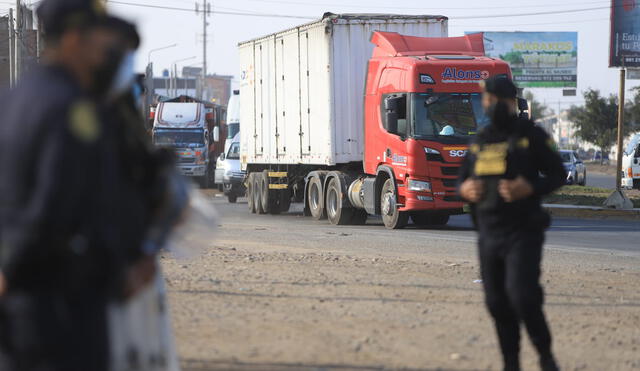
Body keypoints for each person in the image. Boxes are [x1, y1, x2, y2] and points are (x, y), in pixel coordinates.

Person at [0, 0, 156, 370]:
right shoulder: (73, 110)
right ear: (73, 39)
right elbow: (53, 208)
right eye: (99, 40)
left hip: (21, 305)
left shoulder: (13, 99)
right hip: (59, 305)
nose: (105, 51)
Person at [458, 76, 566, 371]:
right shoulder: (480, 139)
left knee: (522, 297)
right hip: (488, 234)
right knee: (496, 303)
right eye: (488, 100)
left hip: (523, 231)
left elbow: (558, 174)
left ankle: (545, 355)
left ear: (511, 102)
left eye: (498, 100)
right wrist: (465, 190)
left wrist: (529, 187)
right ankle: (511, 363)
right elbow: (462, 181)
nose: (492, 105)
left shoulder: (532, 135)